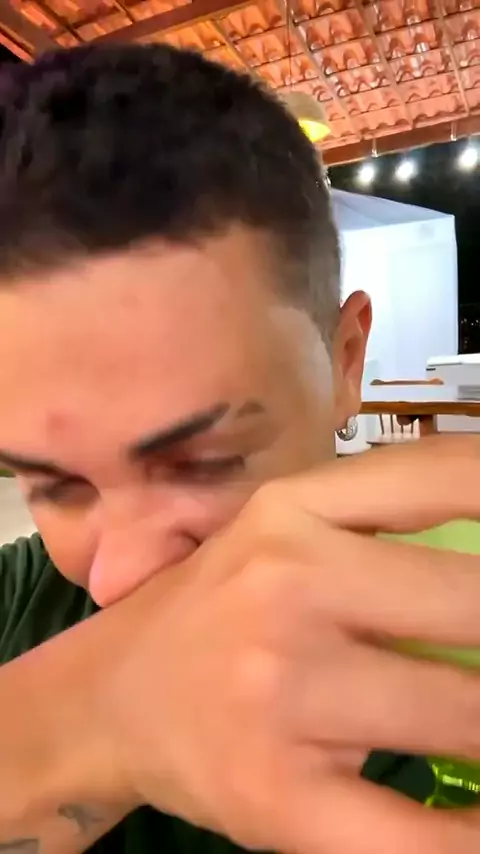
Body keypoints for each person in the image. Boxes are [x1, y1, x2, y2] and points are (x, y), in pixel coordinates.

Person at [1, 42, 480, 854]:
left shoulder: (454, 625)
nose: (120, 579)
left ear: (346, 360)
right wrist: (100, 714)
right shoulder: (17, 607)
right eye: (54, 487)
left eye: (205, 462)